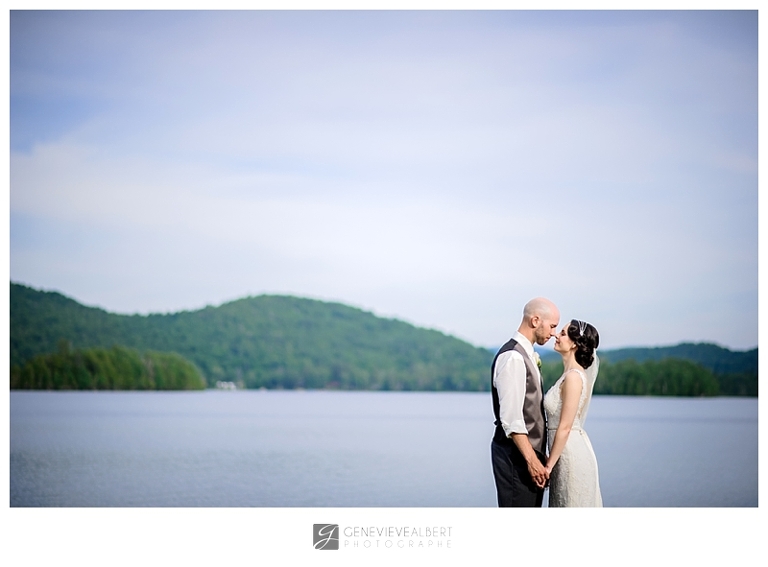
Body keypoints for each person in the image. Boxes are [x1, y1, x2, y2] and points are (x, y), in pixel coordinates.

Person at [490, 297, 560, 507]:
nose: (554, 333)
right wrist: (532, 461)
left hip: (526, 457)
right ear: (535, 320)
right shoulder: (513, 357)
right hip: (516, 459)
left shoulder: (526, 355)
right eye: (552, 326)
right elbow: (511, 418)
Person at [544, 319, 603, 507]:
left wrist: (548, 466)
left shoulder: (574, 378)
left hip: (570, 456)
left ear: (575, 344)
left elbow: (565, 426)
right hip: (561, 454)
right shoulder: (568, 375)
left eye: (562, 333)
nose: (555, 335)